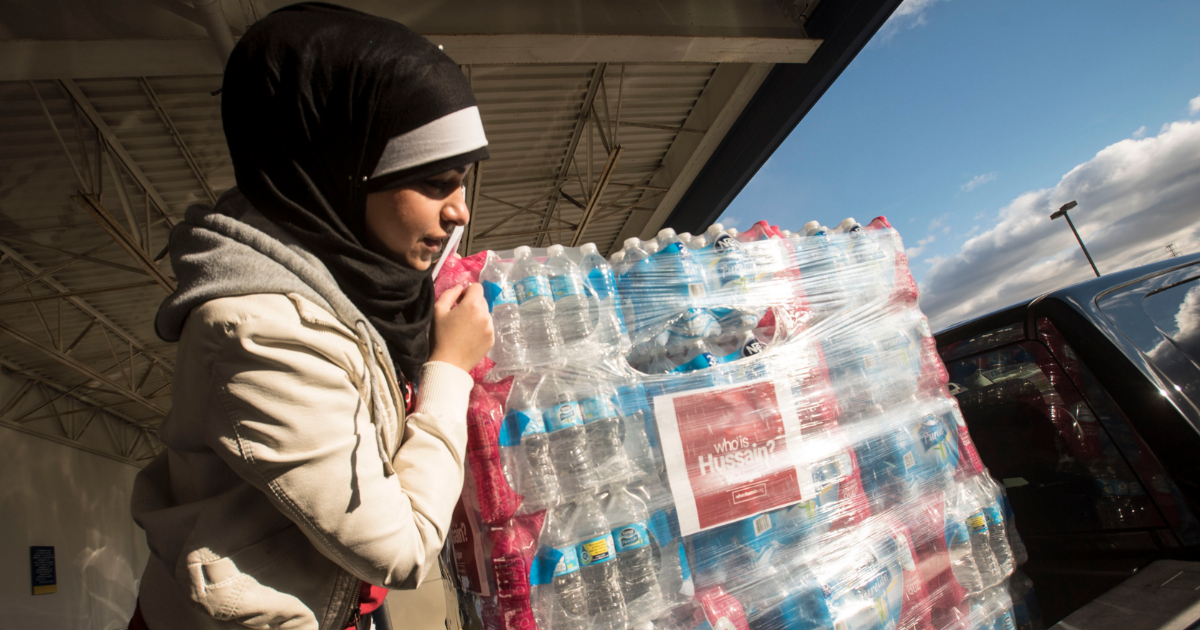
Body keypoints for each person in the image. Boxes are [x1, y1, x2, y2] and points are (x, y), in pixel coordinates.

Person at [128, 4, 494, 629]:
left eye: (463, 182)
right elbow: (400, 550)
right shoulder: (258, 332)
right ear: (345, 172)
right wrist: (449, 370)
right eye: (436, 183)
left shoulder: (349, 283)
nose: (459, 211)